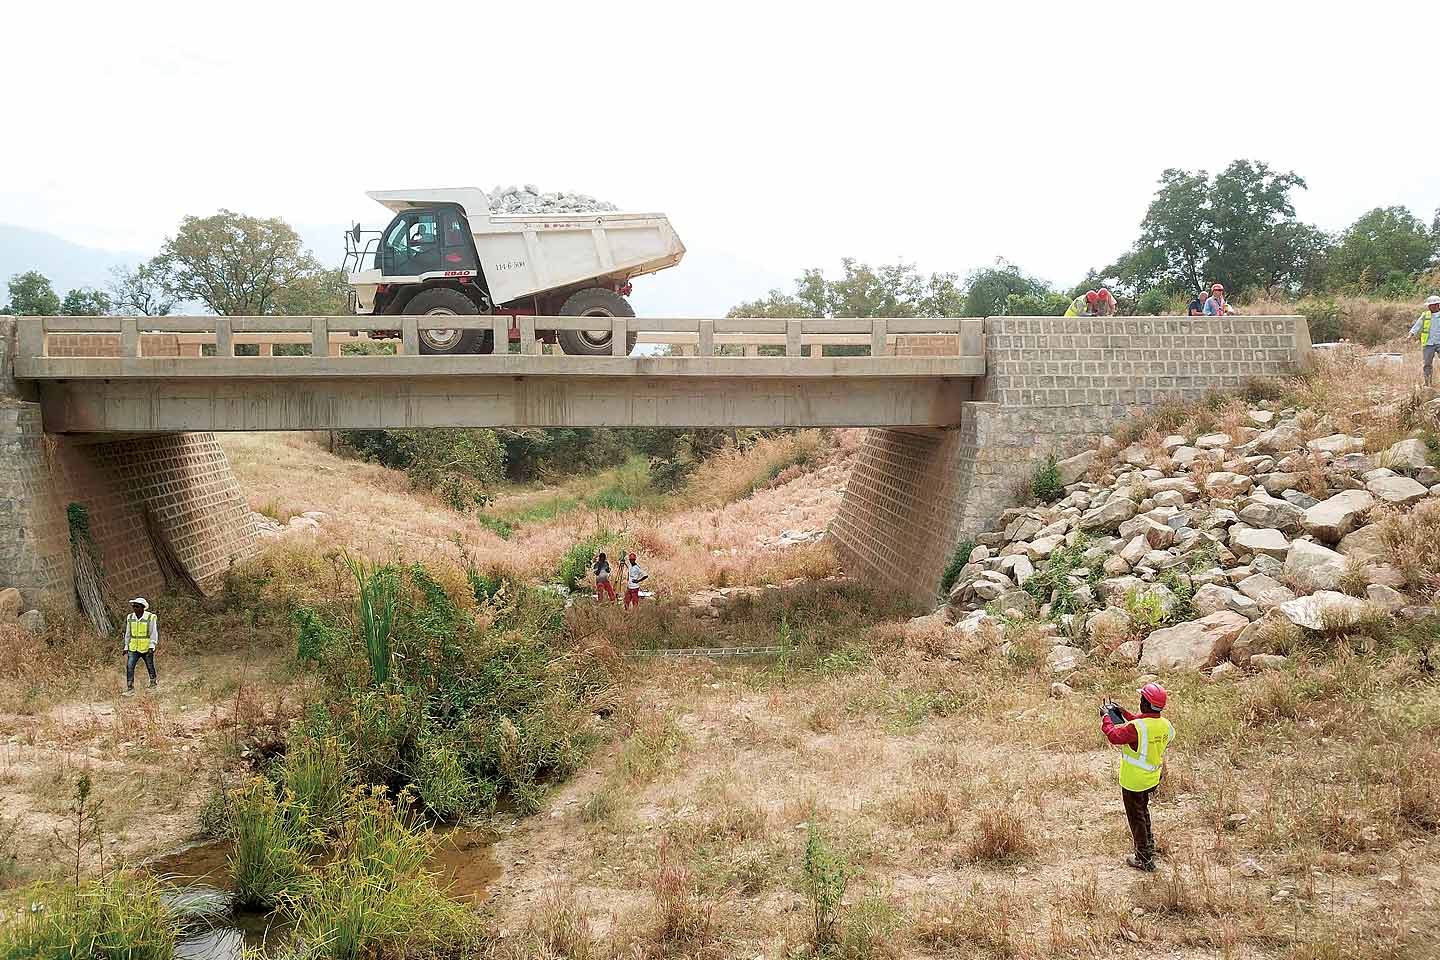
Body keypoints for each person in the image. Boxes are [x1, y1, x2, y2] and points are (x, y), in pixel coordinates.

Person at [1100, 682, 1174, 872]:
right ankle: (1148, 844)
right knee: (1142, 811)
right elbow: (1145, 725)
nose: (1139, 701)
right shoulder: (1165, 725)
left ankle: (1143, 858)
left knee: (1136, 817)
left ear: (1145, 703)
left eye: (1141, 699)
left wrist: (1107, 718)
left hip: (1134, 781)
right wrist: (1124, 714)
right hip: (1151, 778)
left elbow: (1114, 736)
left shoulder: (1136, 728)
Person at [122, 597, 159, 694]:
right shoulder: (130, 617)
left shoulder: (150, 617)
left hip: (146, 647)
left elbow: (153, 632)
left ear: (142, 608)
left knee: (150, 665)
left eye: (137, 606)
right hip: (133, 647)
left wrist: (152, 645)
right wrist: (126, 646)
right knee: (130, 666)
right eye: (133, 606)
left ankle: (153, 684)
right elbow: (128, 633)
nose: (134, 608)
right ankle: (130, 688)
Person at [1409, 295, 1440, 387]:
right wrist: (1411, 334)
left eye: (1432, 305)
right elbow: (1417, 325)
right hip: (1428, 344)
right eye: (1429, 305)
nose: (1429, 307)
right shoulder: (1425, 315)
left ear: (1438, 305)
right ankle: (1428, 384)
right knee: (1427, 364)